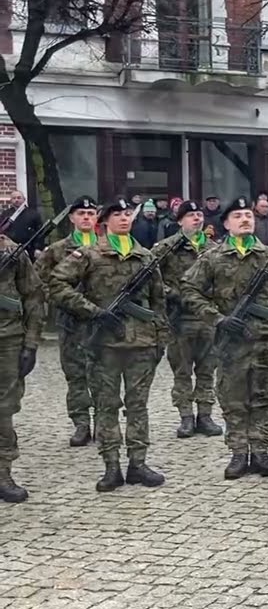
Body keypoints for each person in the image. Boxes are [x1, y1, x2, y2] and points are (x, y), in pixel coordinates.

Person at [49, 199, 169, 492]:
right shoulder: (90, 253)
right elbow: (57, 283)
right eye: (118, 214)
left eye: (128, 214)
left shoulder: (145, 256)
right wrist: (92, 311)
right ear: (105, 221)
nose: (124, 218)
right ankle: (111, 466)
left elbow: (158, 302)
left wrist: (161, 339)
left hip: (141, 343)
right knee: (107, 405)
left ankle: (138, 464)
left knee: (138, 406)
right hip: (104, 345)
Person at [181, 196, 268, 479]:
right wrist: (217, 318)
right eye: (237, 216)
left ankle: (260, 451)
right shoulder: (213, 257)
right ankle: (237, 452)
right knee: (233, 398)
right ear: (226, 224)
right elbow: (189, 290)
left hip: (264, 340)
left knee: (263, 396)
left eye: (248, 215)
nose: (245, 219)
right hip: (231, 342)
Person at [153, 201, 223, 437]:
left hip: (207, 318)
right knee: (182, 371)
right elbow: (150, 278)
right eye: (191, 215)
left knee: (207, 370)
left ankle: (205, 415)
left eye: (199, 215)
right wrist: (171, 294)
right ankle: (185, 417)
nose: (197, 219)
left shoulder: (214, 249)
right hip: (179, 319)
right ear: (180, 220)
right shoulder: (166, 248)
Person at [35, 197, 101, 446]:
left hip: (102, 321)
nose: (86, 217)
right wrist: (59, 299)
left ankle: (103, 423)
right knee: (75, 374)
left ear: (97, 218)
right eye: (81, 213)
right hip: (71, 321)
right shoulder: (57, 249)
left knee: (104, 373)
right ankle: (81, 423)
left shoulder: (107, 246)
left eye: (90, 213)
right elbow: (39, 281)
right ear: (72, 218)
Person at [0, 216, 45, 503]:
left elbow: (33, 297)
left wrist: (31, 344)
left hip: (8, 340)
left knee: (3, 409)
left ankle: (2, 473)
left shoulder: (12, 251)